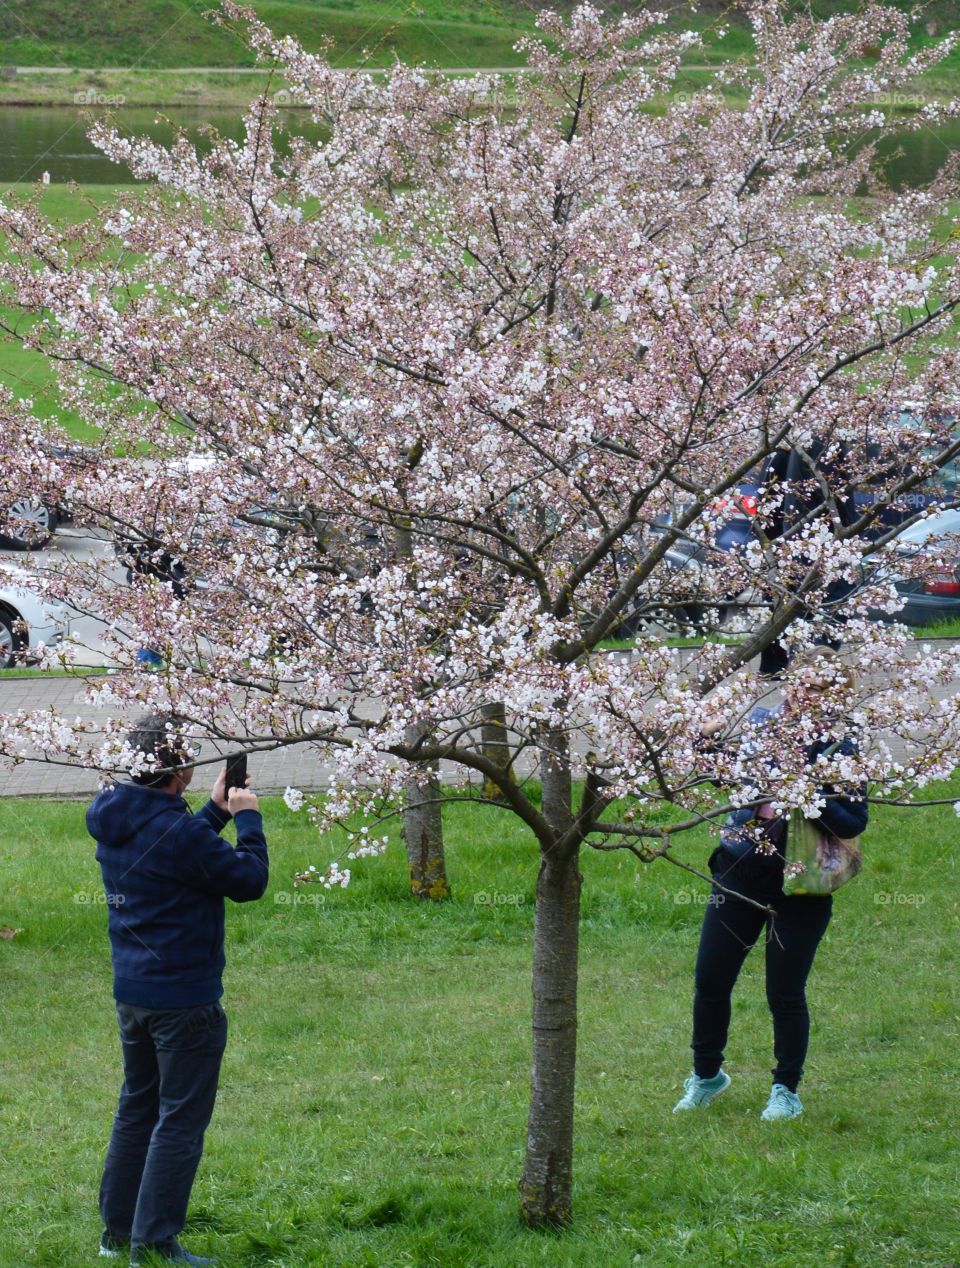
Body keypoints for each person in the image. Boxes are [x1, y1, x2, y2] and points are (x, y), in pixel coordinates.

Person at [87, 713, 268, 1265]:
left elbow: (174, 853)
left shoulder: (114, 814)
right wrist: (248, 821)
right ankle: (156, 1241)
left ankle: (117, 1233)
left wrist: (214, 812)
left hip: (134, 992)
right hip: (185, 1001)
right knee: (179, 1120)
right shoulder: (178, 832)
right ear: (180, 768)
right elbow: (248, 881)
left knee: (137, 1107)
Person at [673, 649, 867, 1120]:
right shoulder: (761, 724)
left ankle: (786, 1091)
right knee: (711, 979)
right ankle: (706, 1076)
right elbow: (724, 778)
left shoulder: (842, 745)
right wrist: (702, 742)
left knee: (784, 991)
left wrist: (809, 792)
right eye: (803, 684)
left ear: (839, 694)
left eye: (821, 688)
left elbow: (854, 819)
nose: (808, 694)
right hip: (739, 872)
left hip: (800, 883)